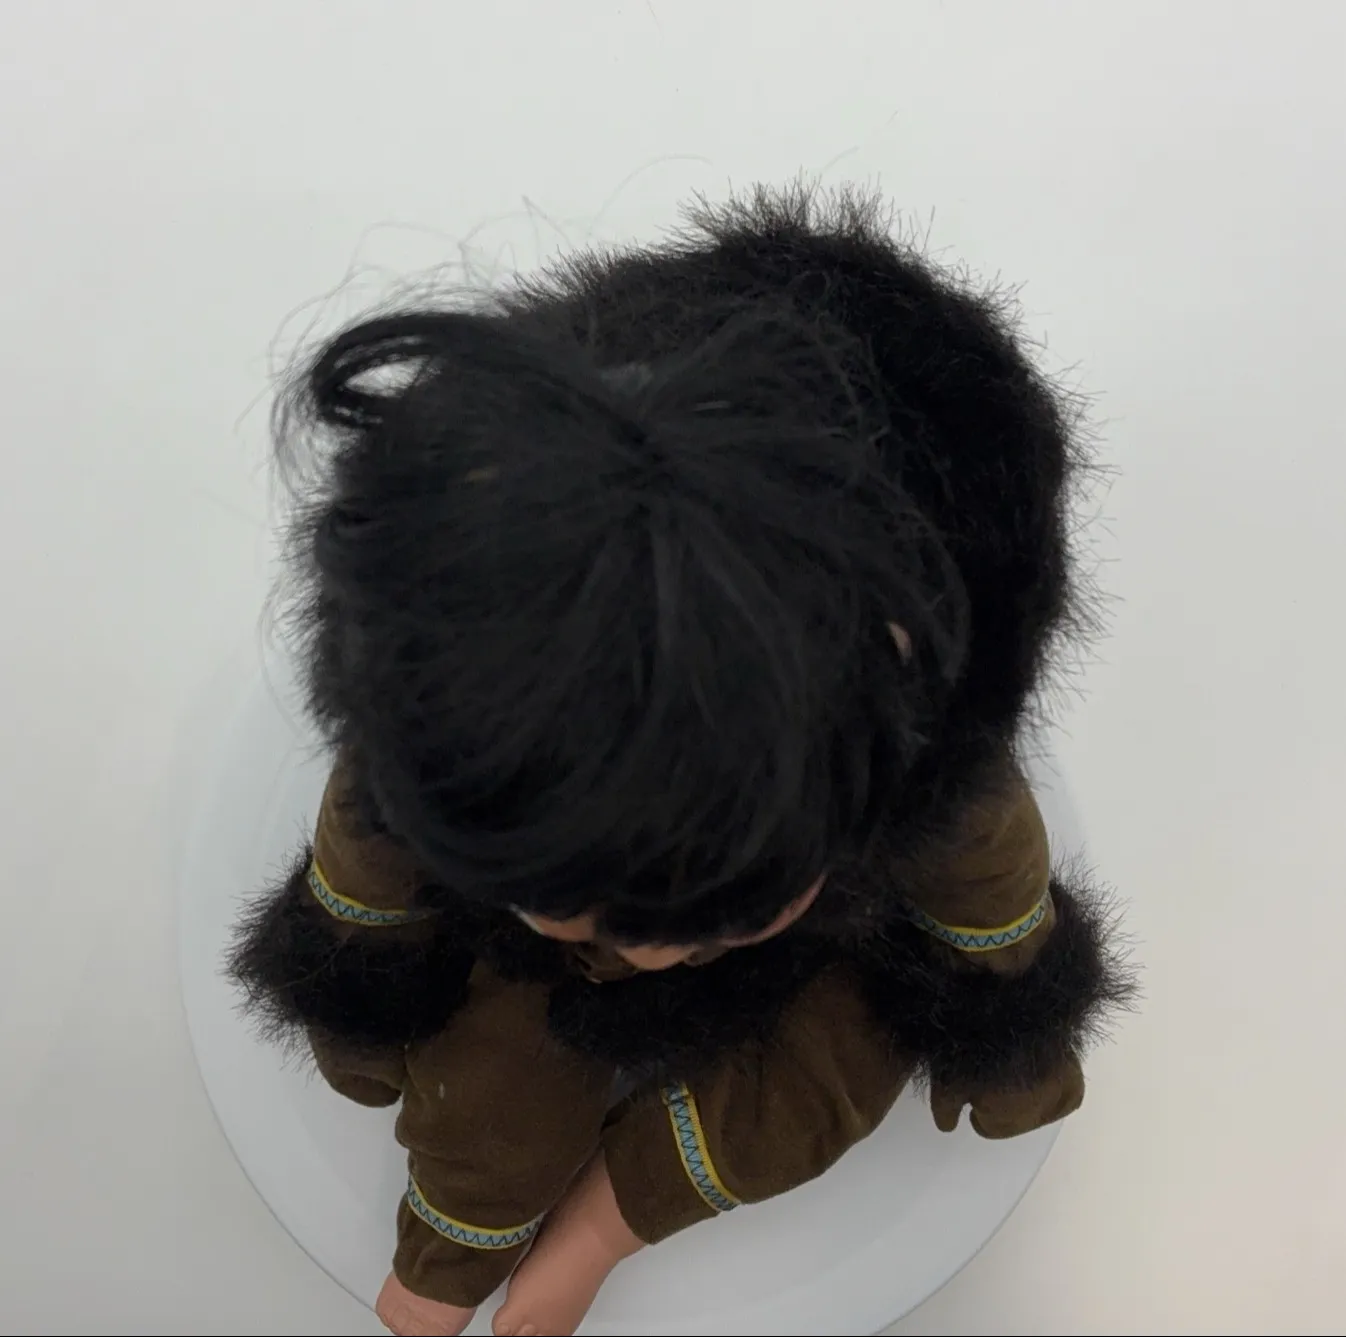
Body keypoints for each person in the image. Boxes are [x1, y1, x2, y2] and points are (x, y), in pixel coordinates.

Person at [230, 185, 1132, 1337]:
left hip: (818, 922)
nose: (650, 953)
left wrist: (1006, 1020)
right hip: (558, 900)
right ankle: (455, 1240)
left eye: (716, 911)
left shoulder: (913, 773)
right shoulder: (463, 727)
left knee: (829, 1074)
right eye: (590, 905)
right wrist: (358, 964)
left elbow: (985, 876)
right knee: (489, 1089)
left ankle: (608, 1215)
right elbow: (373, 825)